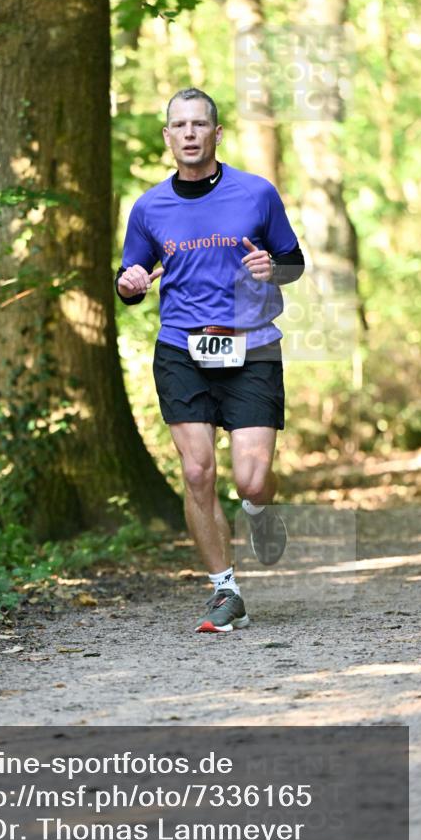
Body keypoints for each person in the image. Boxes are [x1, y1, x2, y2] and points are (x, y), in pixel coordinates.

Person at [116, 88, 305, 633]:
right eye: (181, 125)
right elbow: (132, 277)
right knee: (197, 470)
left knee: (250, 480)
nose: (191, 133)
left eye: (201, 124)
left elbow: (292, 261)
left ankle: (259, 511)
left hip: (252, 346)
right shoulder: (150, 207)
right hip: (182, 348)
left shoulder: (257, 193)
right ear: (168, 137)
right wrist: (128, 284)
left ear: (217, 134)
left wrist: (275, 268)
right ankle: (225, 592)